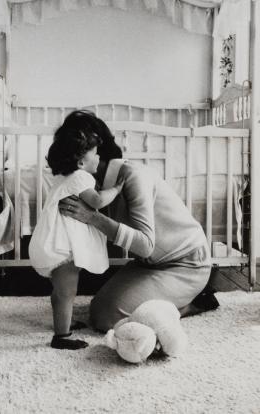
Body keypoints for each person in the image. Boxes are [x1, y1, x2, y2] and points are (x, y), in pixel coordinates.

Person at [58, 110, 219, 333]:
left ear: (95, 151)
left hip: (186, 264)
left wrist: (93, 218)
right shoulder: (91, 183)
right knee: (98, 310)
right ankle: (166, 300)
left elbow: (145, 245)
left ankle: (190, 304)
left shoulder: (132, 176)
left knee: (107, 320)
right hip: (149, 264)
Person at [29, 127, 124, 349]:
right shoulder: (81, 177)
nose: (99, 157)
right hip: (64, 248)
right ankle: (62, 337)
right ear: (81, 162)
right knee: (67, 291)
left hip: (55, 242)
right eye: (95, 153)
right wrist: (117, 190)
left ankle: (65, 320)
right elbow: (98, 201)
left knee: (61, 291)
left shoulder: (65, 177)